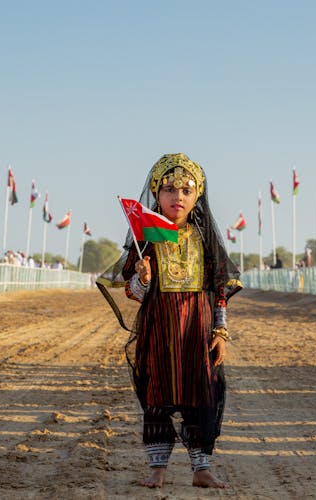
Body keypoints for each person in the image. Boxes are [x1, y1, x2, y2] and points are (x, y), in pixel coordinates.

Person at [96, 153, 242, 489]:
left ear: (197, 196)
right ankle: (157, 469)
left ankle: (201, 468)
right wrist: (143, 278)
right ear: (156, 194)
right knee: (157, 396)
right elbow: (134, 293)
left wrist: (220, 331)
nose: (178, 196)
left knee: (201, 394)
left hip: (198, 330)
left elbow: (218, 289)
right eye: (169, 189)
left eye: (187, 190)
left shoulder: (205, 241)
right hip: (159, 328)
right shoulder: (146, 239)